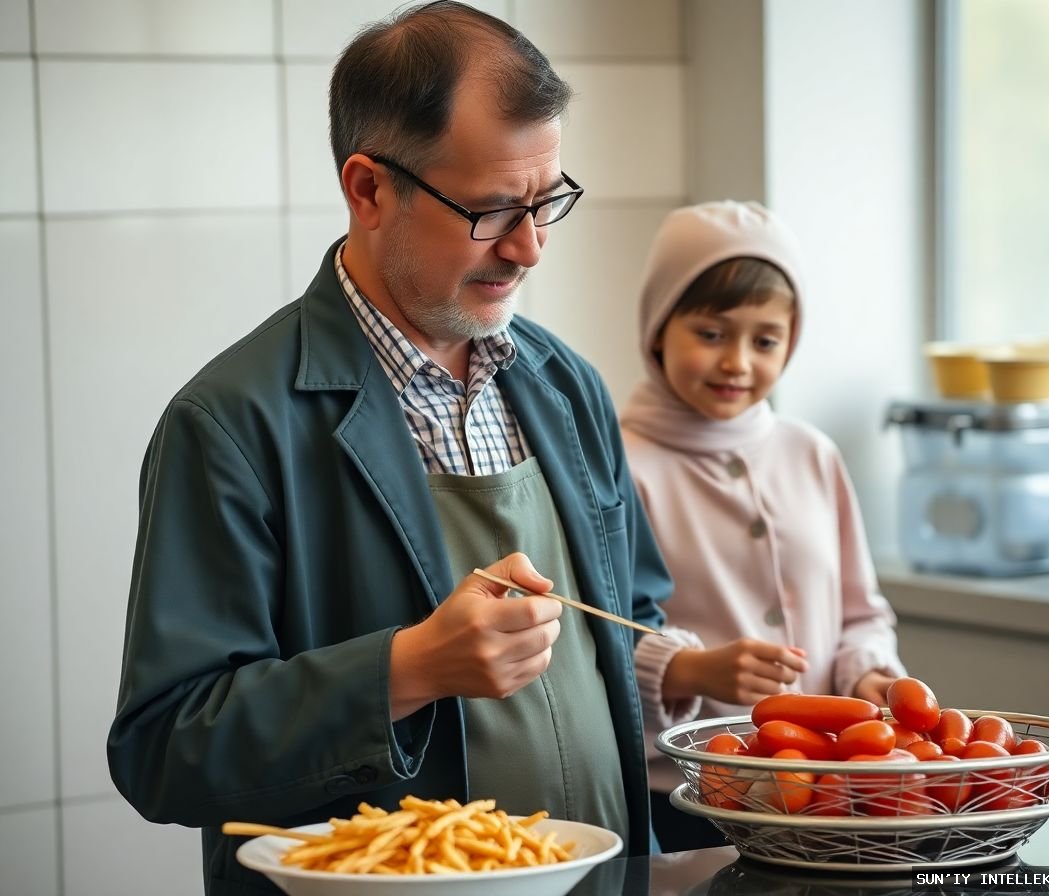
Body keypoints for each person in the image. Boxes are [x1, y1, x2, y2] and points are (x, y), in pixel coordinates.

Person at [106, 4, 707, 892]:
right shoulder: (232, 423)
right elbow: (165, 748)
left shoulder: (566, 386)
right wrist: (406, 669)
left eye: (547, 202)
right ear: (369, 188)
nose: (531, 246)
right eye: (495, 209)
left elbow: (630, 621)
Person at [619, 200, 906, 852]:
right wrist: (688, 670)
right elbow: (594, 638)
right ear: (659, 328)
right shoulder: (616, 465)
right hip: (686, 800)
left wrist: (868, 673)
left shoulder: (813, 453)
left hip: (832, 795)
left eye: (766, 340)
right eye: (711, 334)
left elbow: (862, 612)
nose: (738, 363)